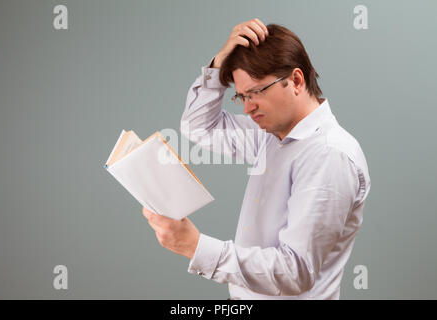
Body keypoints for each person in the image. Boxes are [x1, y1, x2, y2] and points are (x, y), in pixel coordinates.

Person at [141, 19, 371, 300]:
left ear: (296, 81)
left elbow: (294, 271)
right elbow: (197, 126)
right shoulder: (270, 133)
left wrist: (195, 246)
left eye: (256, 92)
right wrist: (218, 64)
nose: (248, 108)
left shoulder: (329, 155)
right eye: (242, 96)